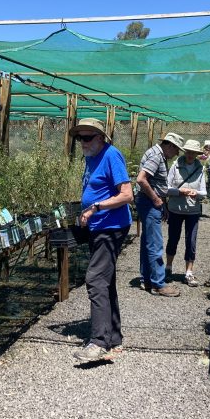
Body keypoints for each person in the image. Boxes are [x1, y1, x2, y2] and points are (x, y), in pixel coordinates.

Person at [69, 118, 134, 362]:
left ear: (100, 138)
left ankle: (98, 343)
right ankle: (113, 336)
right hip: (97, 225)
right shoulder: (91, 156)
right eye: (80, 138)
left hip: (111, 226)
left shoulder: (111, 155)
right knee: (106, 280)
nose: (82, 143)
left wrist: (96, 207)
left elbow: (127, 195)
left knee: (95, 279)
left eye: (87, 138)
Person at [135, 132, 184, 297]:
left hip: (148, 202)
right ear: (169, 145)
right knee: (155, 243)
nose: (176, 154)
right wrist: (156, 199)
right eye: (176, 150)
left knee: (148, 241)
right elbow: (141, 179)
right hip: (149, 203)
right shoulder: (157, 156)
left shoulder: (156, 154)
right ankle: (158, 284)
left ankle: (147, 279)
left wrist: (162, 203)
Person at [165, 140, 208, 287]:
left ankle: (189, 273)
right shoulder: (175, 166)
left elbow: (204, 192)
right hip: (175, 209)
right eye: (188, 152)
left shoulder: (200, 169)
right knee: (173, 239)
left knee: (191, 241)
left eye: (193, 153)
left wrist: (196, 193)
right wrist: (179, 191)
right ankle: (168, 268)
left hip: (193, 211)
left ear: (197, 154)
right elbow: (166, 188)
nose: (190, 155)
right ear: (185, 152)